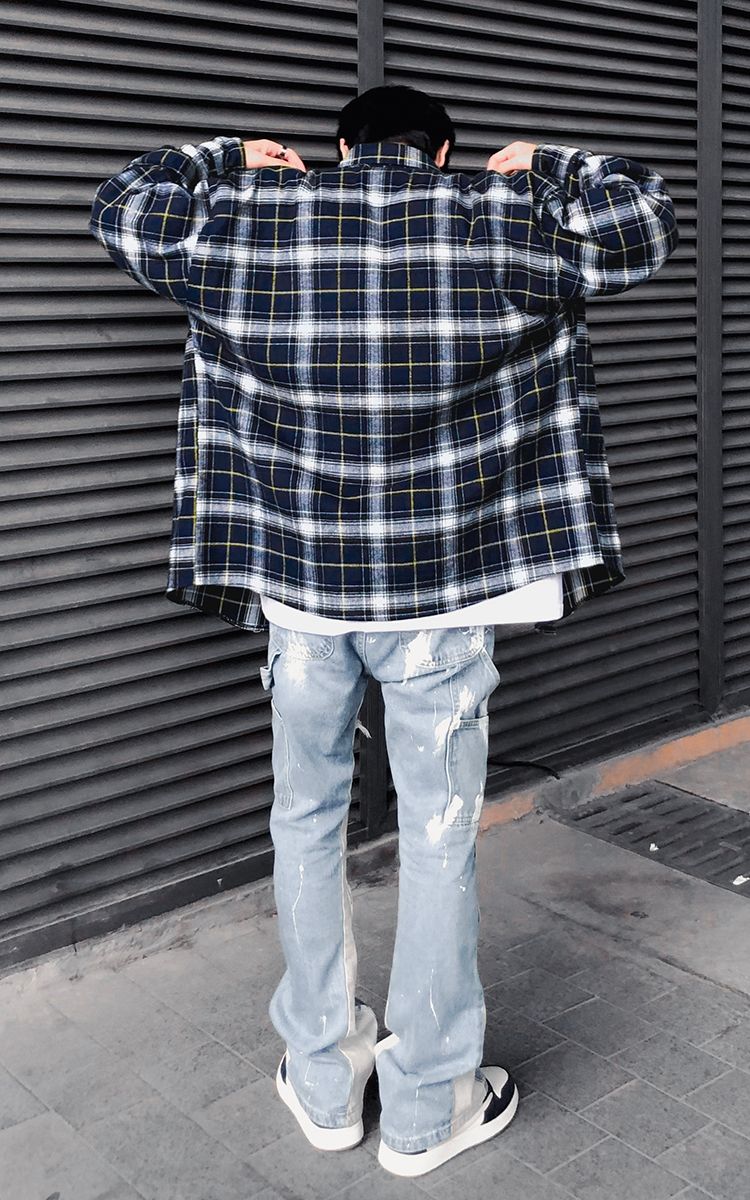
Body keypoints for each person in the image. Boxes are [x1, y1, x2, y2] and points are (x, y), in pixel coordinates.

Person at [89, 84, 679, 1176]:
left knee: (305, 821)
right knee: (438, 832)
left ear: (337, 148)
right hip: (441, 601)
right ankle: (426, 1107)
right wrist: (546, 162)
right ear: (443, 153)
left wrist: (228, 154)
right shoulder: (497, 222)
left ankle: (324, 1080)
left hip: (302, 597)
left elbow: (120, 204)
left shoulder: (251, 224)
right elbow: (646, 217)